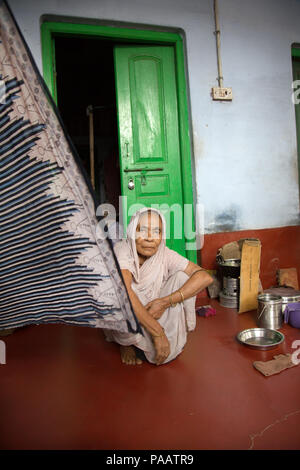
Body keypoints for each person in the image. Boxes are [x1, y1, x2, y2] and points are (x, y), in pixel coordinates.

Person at [104, 207, 213, 366]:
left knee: (183, 277)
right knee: (118, 290)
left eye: (157, 231)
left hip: (151, 310)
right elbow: (124, 293)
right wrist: (158, 334)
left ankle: (153, 337)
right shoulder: (122, 250)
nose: (150, 238)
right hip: (132, 313)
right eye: (143, 230)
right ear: (132, 232)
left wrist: (164, 302)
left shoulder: (164, 253)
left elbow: (204, 277)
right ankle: (125, 342)